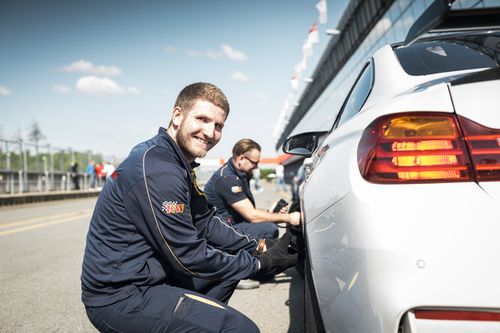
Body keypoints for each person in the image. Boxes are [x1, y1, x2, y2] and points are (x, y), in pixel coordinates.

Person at [81, 82, 297, 333]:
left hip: (153, 277)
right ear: (177, 115)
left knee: (227, 272)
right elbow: (188, 255)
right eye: (202, 119)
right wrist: (259, 264)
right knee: (241, 329)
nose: (209, 132)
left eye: (218, 126)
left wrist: (259, 246)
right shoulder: (158, 168)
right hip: (122, 297)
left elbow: (205, 222)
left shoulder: (175, 161)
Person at [204, 139, 301, 240]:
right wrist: (289, 218)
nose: (256, 167)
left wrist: (269, 212)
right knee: (269, 228)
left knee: (268, 222)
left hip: (230, 224)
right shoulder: (227, 179)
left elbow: (247, 209)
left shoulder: (238, 174)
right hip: (220, 230)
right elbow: (252, 215)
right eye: (254, 163)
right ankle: (254, 254)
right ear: (241, 158)